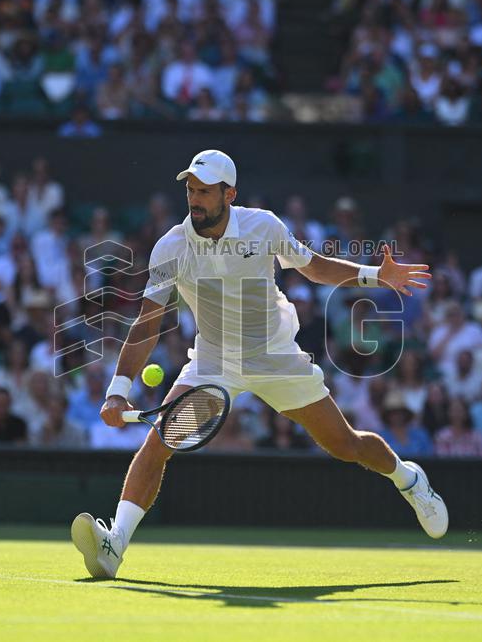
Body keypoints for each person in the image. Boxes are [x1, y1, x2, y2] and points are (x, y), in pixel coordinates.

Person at [72, 150, 445, 579]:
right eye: (191, 189)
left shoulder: (263, 226)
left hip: (275, 356)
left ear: (229, 194)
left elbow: (314, 268)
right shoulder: (171, 247)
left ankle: (409, 479)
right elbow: (147, 323)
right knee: (158, 444)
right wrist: (118, 390)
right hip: (213, 361)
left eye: (205, 191)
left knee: (346, 446)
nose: (195, 198)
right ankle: (114, 544)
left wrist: (374, 275)